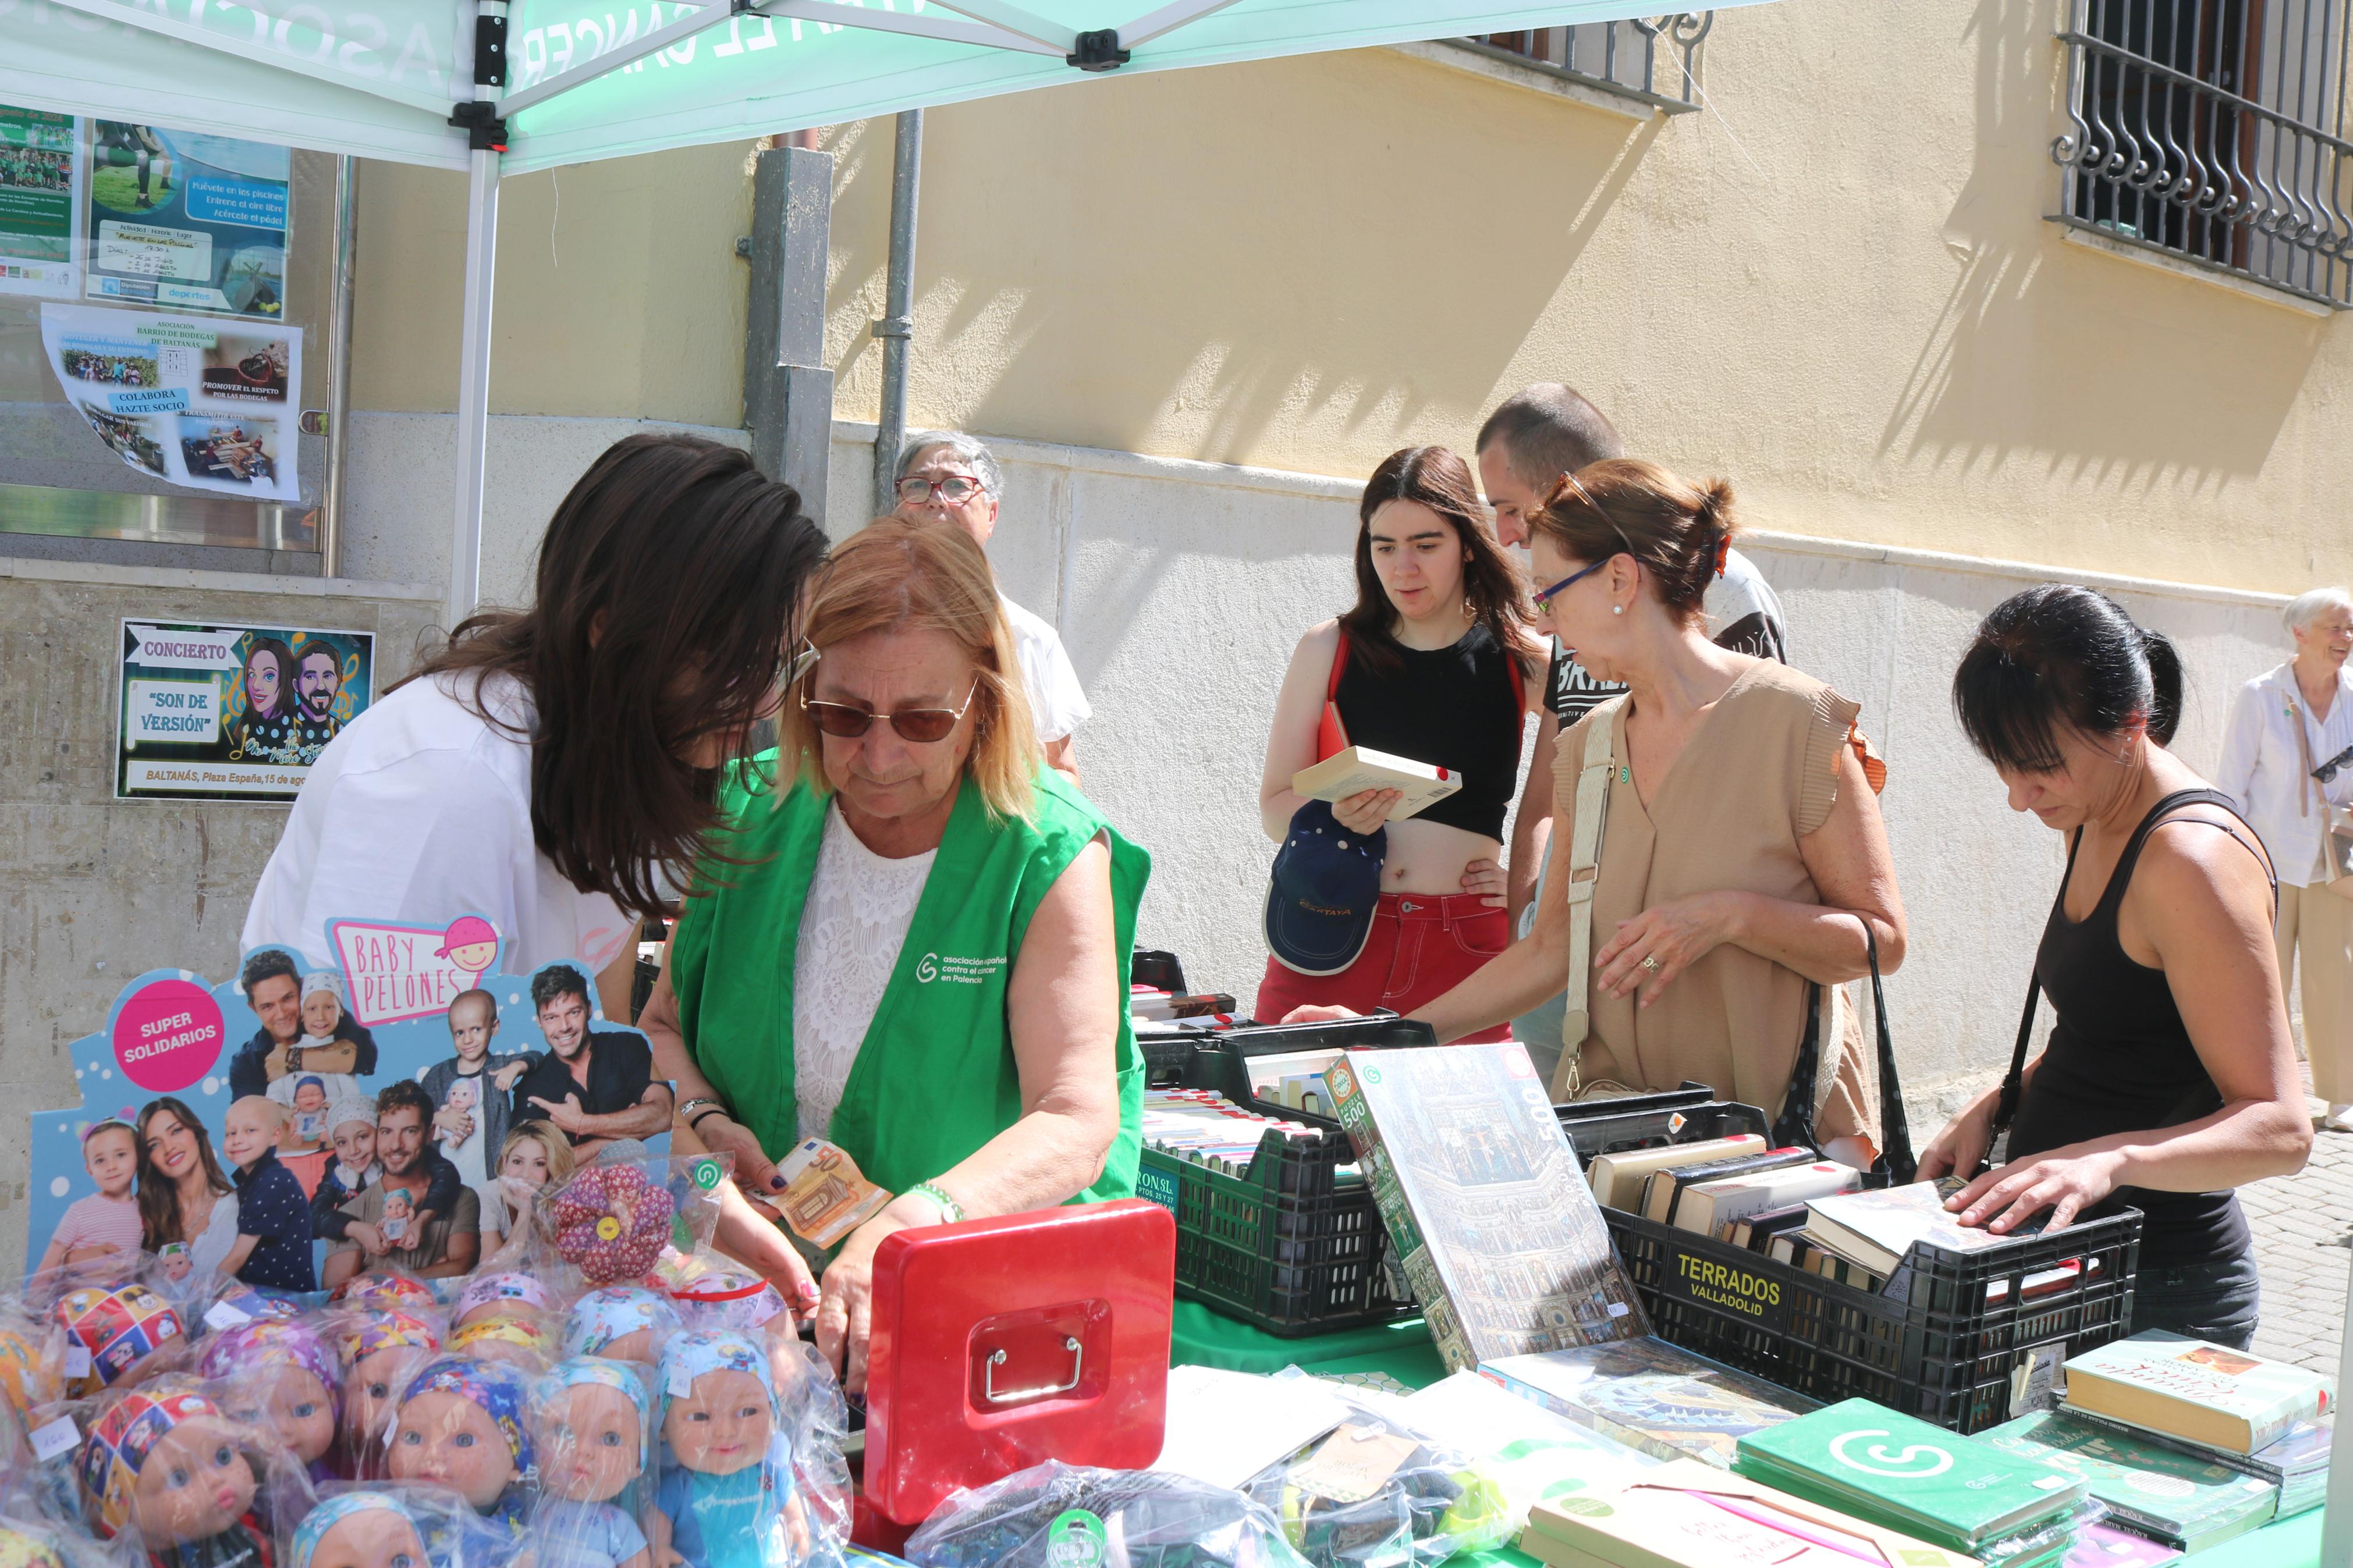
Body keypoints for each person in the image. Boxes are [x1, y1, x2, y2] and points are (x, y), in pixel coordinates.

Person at [641, 517, 1150, 1392]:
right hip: (747, 1323)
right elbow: (657, 1029)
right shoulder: (749, 813)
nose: (877, 756)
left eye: (919, 719)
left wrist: (920, 1219)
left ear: (982, 706)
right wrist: (702, 1122)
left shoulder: (1044, 853)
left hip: (967, 1327)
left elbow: (1075, 1116)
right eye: (841, 714)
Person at [1289, 461, 1903, 1164]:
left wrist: (1730, 915)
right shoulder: (1586, 748)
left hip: (1776, 1153)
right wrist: (1391, 1037)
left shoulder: (1799, 718)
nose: (1543, 617)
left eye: (1550, 590)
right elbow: (1549, 951)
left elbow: (1882, 940)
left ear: (1618, 579)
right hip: (1626, 1142)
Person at [242, 433, 832, 1016]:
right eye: (736, 667)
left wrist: (618, 1094)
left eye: (780, 664)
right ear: (612, 633)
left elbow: (599, 997)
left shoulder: (628, 743)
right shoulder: (446, 790)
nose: (763, 705)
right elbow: (365, 1076)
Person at [1921, 586, 2313, 1346]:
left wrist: (2106, 1160)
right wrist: (1997, 1099)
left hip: (2156, 1294)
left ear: (2130, 725)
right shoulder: (2095, 808)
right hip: (2069, 1269)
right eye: (2001, 765)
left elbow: (2280, 1127)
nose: (2016, 796)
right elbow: (2120, 1028)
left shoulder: (2188, 862)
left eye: (2038, 768)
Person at [1475, 384, 1792, 1063]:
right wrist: (1530, 917)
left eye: (1506, 506)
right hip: (1572, 954)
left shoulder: (1723, 592)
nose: (1501, 531)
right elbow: (1549, 777)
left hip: (1678, 971)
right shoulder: (1570, 598)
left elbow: (1753, 798)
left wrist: (1708, 920)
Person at [1252, 446, 1546, 1037]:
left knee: (1464, 1128)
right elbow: (1273, 805)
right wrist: (1331, 813)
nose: (1402, 568)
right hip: (1330, 925)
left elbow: (1588, 784)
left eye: (1425, 544)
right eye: (1383, 546)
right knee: (1284, 1115)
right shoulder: (1326, 648)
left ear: (1467, 541)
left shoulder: (1524, 657)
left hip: (1464, 945)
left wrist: (1529, 882)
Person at [2217, 586, 2353, 1133]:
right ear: (2299, 632)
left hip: (2333, 865)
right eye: (2336, 627)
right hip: (2266, 864)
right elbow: (2232, 784)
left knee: (2336, 977)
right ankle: (2256, 1092)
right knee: (2259, 980)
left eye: (2349, 629)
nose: (2346, 638)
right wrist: (2233, 860)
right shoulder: (2259, 695)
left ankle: (2341, 1095)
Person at [892, 432, 1089, 783]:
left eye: (957, 486)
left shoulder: (1030, 638)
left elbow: (1062, 772)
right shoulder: (855, 621)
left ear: (992, 515)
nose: (937, 500)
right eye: (918, 485)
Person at [324, 1083, 481, 1286]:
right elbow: (336, 1294)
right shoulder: (350, 1214)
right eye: (387, 1132)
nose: (396, 1145)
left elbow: (463, 1271)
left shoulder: (462, 1198)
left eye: (409, 1131)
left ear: (429, 1134)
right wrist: (435, 1271)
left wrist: (382, 1277)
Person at [505, 966, 670, 1157]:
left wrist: (581, 1123)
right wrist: (624, 1133)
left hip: (644, 1179)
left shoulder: (627, 1045)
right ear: (540, 1022)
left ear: (589, 1010)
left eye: (573, 1013)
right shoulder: (531, 1087)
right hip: (571, 1188)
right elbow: (535, 1166)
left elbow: (663, 1114)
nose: (564, 1027)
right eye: (552, 1018)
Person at [421, 989, 538, 1186]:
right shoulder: (438, 1075)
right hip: (444, 1178)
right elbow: (415, 1116)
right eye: (460, 1033)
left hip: (489, 1178)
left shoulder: (498, 1066)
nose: (467, 1040)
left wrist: (516, 1067)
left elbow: (537, 1057)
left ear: (494, 1028)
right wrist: (439, 1118)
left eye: (476, 1029)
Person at [217, 1097, 317, 1292]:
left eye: (250, 1130)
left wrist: (204, 1289)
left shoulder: (274, 1182)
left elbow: (239, 1255)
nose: (237, 1140)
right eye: (231, 1133)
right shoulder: (251, 1183)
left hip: (284, 1300)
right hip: (258, 1296)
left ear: (275, 1136)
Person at [136, 1097, 240, 1282]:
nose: (169, 1148)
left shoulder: (238, 1207)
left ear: (197, 1134)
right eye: (155, 1145)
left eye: (176, 1131)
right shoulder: (146, 1216)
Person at [38, 1121, 143, 1274]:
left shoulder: (144, 1211)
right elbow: (48, 1266)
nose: (111, 1166)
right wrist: (34, 1298)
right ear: (90, 1170)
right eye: (100, 1160)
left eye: (121, 1155)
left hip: (122, 1295)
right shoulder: (79, 1211)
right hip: (81, 1295)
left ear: (138, 1157)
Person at [477, 1122, 573, 1260]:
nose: (526, 1174)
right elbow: (490, 1272)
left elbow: (556, 1266)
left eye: (539, 1164)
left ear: (551, 1170)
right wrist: (525, 1211)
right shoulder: (488, 1196)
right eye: (517, 1162)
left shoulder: (558, 1198)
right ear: (505, 1163)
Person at [232, 637, 298, 762]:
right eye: (252, 674)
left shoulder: (300, 727)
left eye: (269, 676)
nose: (256, 686)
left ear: (286, 678)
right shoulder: (243, 728)